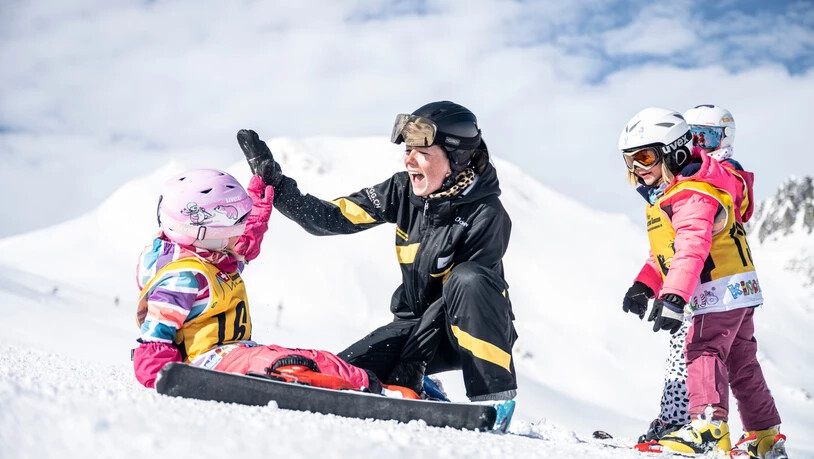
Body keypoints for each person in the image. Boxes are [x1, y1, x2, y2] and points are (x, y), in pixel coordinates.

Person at [237, 101, 517, 402]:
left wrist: (412, 364)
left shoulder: (486, 214)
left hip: (469, 327)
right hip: (413, 325)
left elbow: (451, 300)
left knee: (468, 278)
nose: (410, 160)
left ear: (457, 159)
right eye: (407, 151)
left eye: (422, 153)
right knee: (343, 376)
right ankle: (424, 390)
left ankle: (493, 400)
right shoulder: (402, 191)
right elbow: (333, 217)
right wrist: (278, 187)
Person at [133, 168, 412, 397]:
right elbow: (155, 338)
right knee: (287, 367)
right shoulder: (183, 278)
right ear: (205, 229)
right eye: (235, 220)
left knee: (318, 359)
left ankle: (381, 388)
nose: (241, 228)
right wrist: (168, 381)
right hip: (210, 364)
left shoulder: (210, 257)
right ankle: (370, 394)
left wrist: (257, 204)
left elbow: (243, 247)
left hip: (235, 354)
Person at [618, 108, 785, 457]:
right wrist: (644, 286)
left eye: (645, 157)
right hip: (738, 288)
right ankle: (764, 436)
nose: (637, 169)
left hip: (716, 289)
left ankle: (706, 426)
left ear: (675, 150)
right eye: (629, 161)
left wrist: (675, 297)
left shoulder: (692, 193)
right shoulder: (678, 193)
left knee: (703, 350)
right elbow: (667, 253)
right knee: (741, 362)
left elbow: (692, 248)